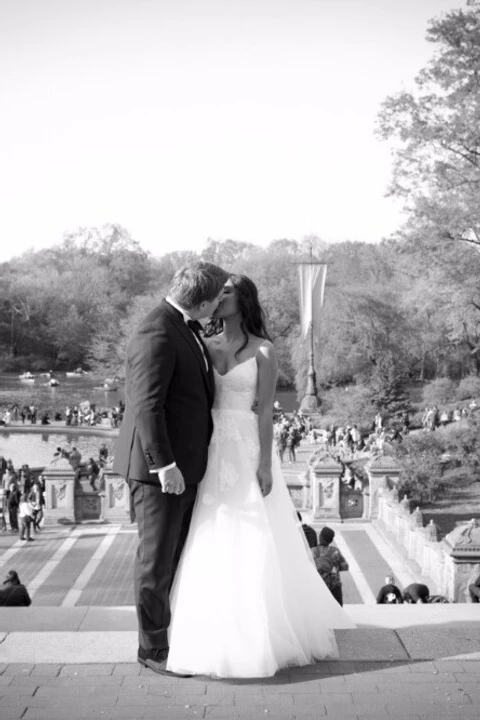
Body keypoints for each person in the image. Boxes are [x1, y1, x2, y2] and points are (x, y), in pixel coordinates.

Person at [165, 274, 354, 679]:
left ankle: (258, 632)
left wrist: (266, 464)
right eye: (218, 294)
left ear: (243, 300)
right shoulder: (203, 344)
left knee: (252, 532)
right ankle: (209, 629)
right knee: (212, 528)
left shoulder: (264, 350)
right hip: (210, 447)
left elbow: (266, 410)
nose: (219, 298)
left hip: (247, 445)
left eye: (227, 293)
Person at [113, 261, 228, 676]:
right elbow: (146, 406)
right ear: (200, 299)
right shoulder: (156, 330)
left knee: (174, 558)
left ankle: (171, 637)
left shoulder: (184, 326)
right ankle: (152, 650)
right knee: (155, 562)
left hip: (184, 468)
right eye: (216, 298)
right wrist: (165, 466)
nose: (219, 305)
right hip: (160, 472)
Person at [311, 526, 349, 607]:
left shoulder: (313, 551)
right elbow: (345, 567)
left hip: (318, 585)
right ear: (331, 540)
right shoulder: (335, 551)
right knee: (338, 610)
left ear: (320, 537)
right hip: (334, 585)